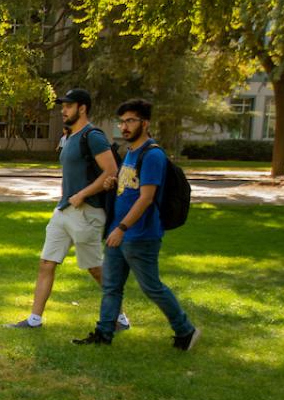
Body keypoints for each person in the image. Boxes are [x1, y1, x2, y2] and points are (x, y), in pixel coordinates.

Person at [75, 98, 201, 351]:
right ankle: (104, 333)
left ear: (145, 123)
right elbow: (129, 188)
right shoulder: (130, 153)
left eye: (130, 121)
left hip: (141, 235)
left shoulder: (153, 155)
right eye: (121, 122)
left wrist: (122, 229)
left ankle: (185, 330)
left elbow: (146, 198)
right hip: (118, 233)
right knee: (111, 286)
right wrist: (113, 186)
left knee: (152, 287)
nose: (124, 127)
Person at [5, 88, 129, 332]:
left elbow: (112, 170)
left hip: (87, 212)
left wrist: (82, 194)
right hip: (64, 210)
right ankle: (34, 320)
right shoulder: (71, 136)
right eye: (63, 106)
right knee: (46, 262)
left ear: (82, 108)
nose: (63, 110)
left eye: (68, 106)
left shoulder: (92, 136)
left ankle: (121, 317)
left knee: (94, 268)